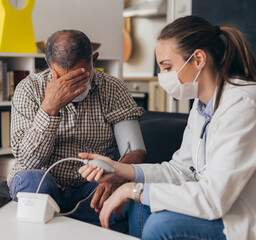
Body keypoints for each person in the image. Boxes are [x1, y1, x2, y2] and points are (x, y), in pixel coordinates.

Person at [79, 15, 256, 240]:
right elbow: (180, 170)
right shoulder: (202, 107)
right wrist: (119, 169)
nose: (162, 77)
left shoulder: (243, 104)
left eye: (167, 67)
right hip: (217, 207)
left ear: (199, 59)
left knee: (161, 224)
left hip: (237, 218)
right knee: (142, 206)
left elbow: (213, 198)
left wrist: (133, 190)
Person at [7, 29, 146, 228]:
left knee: (130, 199)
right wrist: (49, 107)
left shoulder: (113, 89)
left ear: (94, 60)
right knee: (32, 180)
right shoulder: (29, 89)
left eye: (81, 77)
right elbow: (29, 162)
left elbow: (135, 152)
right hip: (42, 181)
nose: (71, 87)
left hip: (90, 187)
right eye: (62, 77)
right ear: (48, 64)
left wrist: (118, 175)